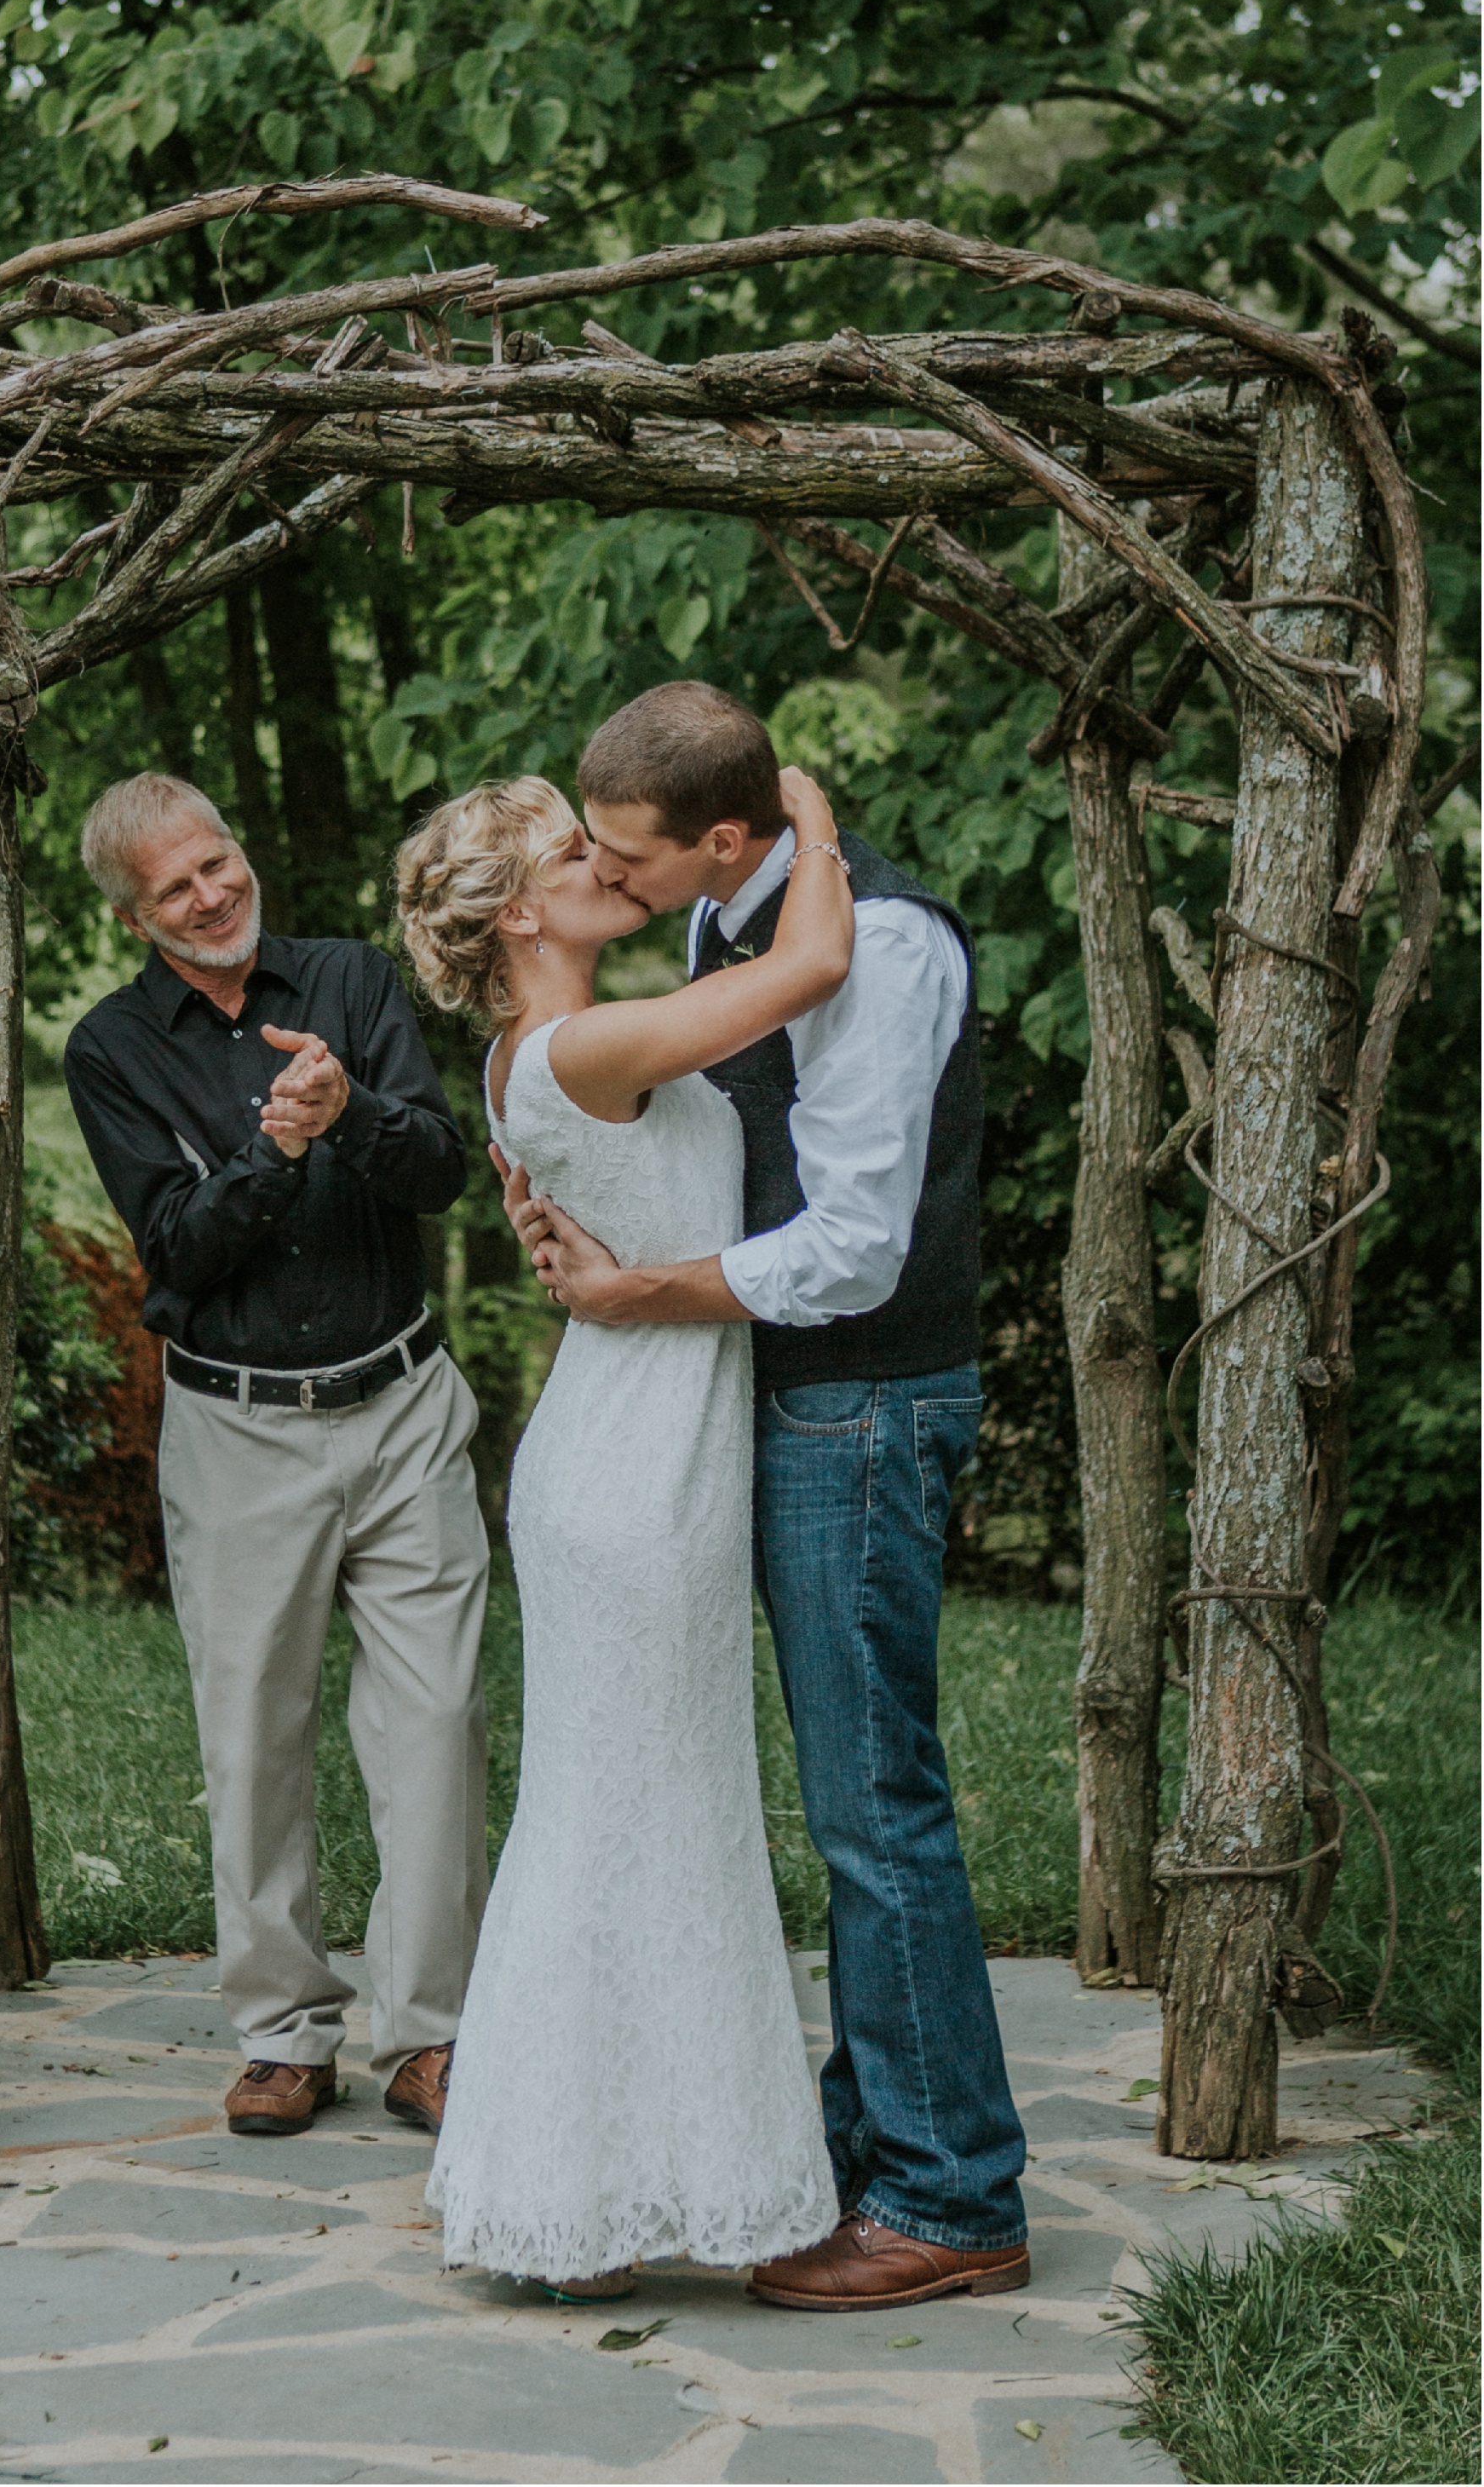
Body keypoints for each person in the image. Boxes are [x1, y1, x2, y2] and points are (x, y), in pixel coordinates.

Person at [506, 681, 1030, 2312]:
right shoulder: (738, 915)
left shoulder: (873, 940)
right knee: (847, 1799)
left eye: (626, 849)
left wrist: (641, 1291)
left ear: (720, 837)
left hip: (864, 1398)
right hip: (789, 1398)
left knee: (875, 1807)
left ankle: (954, 2194)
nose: (604, 866)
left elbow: (856, 1244)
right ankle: (878, 2143)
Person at [394, 764, 852, 2299]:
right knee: (632, 1825)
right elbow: (813, 965)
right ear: (521, 912)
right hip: (634, 1474)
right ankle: (576, 2185)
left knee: (640, 1820)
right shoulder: (580, 1041)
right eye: (569, 850)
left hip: (640, 1442)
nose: (604, 860)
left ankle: (596, 2178)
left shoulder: (549, 1048)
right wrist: (809, 813)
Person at [64, 772, 489, 2144]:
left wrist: (348, 1109)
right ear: (137, 913)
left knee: (434, 1723)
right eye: (178, 884)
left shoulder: (356, 980)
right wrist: (274, 1143)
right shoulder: (113, 1049)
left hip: (404, 1400)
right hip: (239, 1426)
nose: (214, 890)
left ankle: (430, 2032)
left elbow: (437, 1166)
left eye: (221, 859)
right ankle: (283, 2030)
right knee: (254, 1733)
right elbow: (176, 1249)